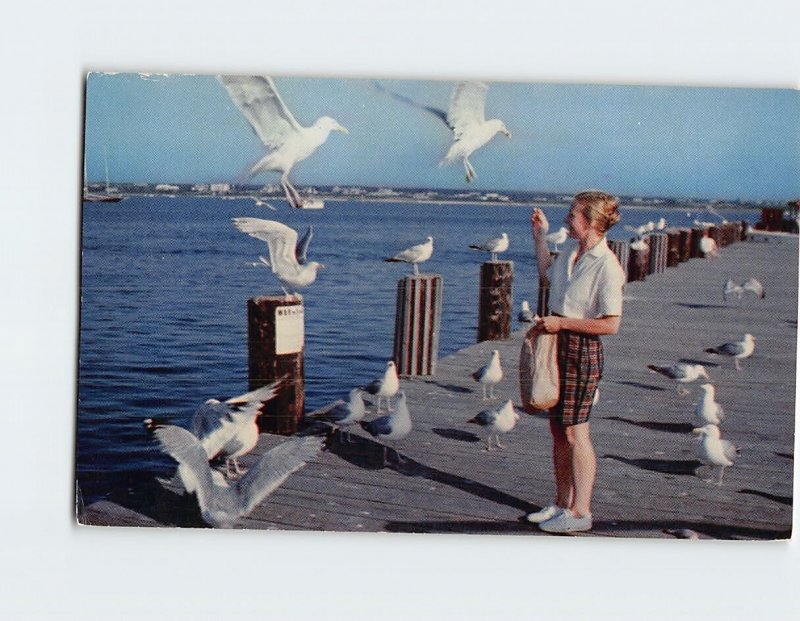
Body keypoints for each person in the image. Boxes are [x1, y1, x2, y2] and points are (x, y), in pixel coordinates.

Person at [525, 190, 625, 533]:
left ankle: (582, 512)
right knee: (557, 429)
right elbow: (546, 276)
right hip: (556, 342)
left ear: (592, 222)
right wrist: (540, 236)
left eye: (572, 215)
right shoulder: (571, 248)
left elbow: (611, 324)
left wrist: (562, 323)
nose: (567, 219)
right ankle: (561, 503)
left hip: (581, 348)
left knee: (575, 431)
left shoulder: (607, 265)